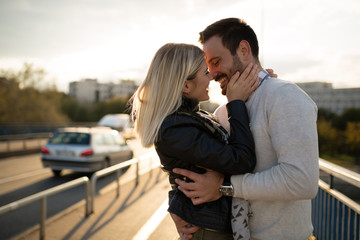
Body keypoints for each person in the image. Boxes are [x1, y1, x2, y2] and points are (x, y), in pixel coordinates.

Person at [172, 18, 319, 240]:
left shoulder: (285, 96)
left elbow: (301, 181)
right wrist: (176, 207)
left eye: (216, 61)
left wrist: (225, 186)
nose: (211, 74)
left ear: (243, 50)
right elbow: (194, 162)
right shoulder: (224, 111)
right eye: (208, 65)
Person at [130, 42, 262, 239]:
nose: (212, 77)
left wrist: (258, 90)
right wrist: (236, 103)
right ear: (185, 85)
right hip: (208, 231)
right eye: (205, 72)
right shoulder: (175, 129)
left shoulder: (190, 118)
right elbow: (241, 160)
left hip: (210, 227)